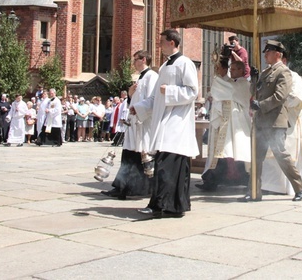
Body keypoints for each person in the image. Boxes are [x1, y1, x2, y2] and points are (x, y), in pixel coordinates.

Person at [133, 29, 199, 218]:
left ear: (172, 42)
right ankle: (167, 206)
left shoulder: (185, 63)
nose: (159, 44)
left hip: (177, 123)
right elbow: (155, 97)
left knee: (167, 166)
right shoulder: (164, 66)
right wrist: (138, 108)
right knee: (164, 165)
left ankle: (165, 206)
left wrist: (169, 91)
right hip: (165, 121)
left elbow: (192, 91)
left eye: (161, 41)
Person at [241, 40, 302, 202]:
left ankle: (299, 186)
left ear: (278, 54)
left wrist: (260, 105)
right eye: (265, 52)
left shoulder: (283, 72)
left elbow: (280, 96)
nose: (265, 55)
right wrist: (255, 79)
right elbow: (255, 91)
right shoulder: (265, 73)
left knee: (281, 155)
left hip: (275, 121)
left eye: (268, 52)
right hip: (261, 121)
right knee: (256, 158)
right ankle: (254, 191)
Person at [105, 50, 158, 199]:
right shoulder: (140, 78)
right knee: (128, 154)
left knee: (141, 156)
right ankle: (121, 186)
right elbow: (135, 100)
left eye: (136, 59)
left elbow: (153, 100)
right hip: (134, 122)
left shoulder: (152, 76)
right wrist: (129, 96)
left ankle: (136, 188)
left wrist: (138, 109)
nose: (134, 62)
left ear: (144, 60)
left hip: (143, 123)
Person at [199, 59, 251, 191]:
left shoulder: (243, 83)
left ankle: (237, 178)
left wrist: (217, 78)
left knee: (232, 151)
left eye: (233, 69)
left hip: (238, 124)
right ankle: (213, 180)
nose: (231, 72)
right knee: (224, 152)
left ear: (241, 70)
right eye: (230, 69)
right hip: (228, 123)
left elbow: (229, 91)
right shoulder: (232, 83)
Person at [263, 51, 302, 195]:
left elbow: (296, 99)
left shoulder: (293, 76)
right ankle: (270, 186)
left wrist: (275, 102)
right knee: (268, 155)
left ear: (283, 60)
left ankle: (294, 187)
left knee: (284, 153)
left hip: (289, 123)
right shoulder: (267, 75)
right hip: (269, 121)